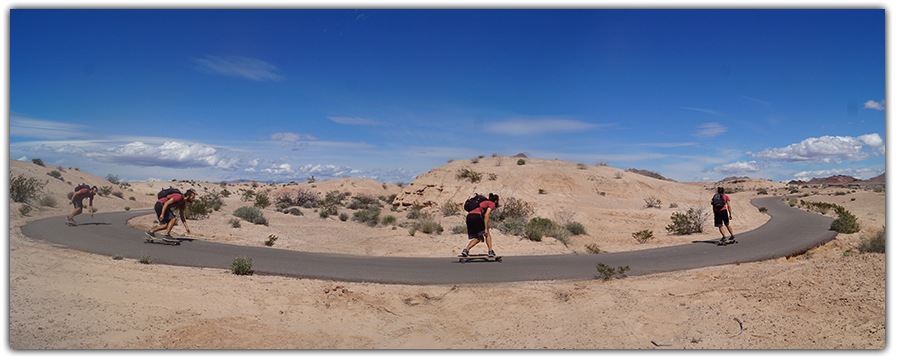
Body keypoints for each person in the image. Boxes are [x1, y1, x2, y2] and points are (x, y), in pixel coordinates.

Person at [461, 193, 500, 257]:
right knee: (487, 234)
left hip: (469, 217)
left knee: (479, 238)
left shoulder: (484, 202)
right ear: (496, 201)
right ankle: (490, 251)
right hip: (476, 216)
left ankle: (466, 250)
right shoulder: (492, 204)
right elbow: (486, 215)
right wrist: (485, 229)